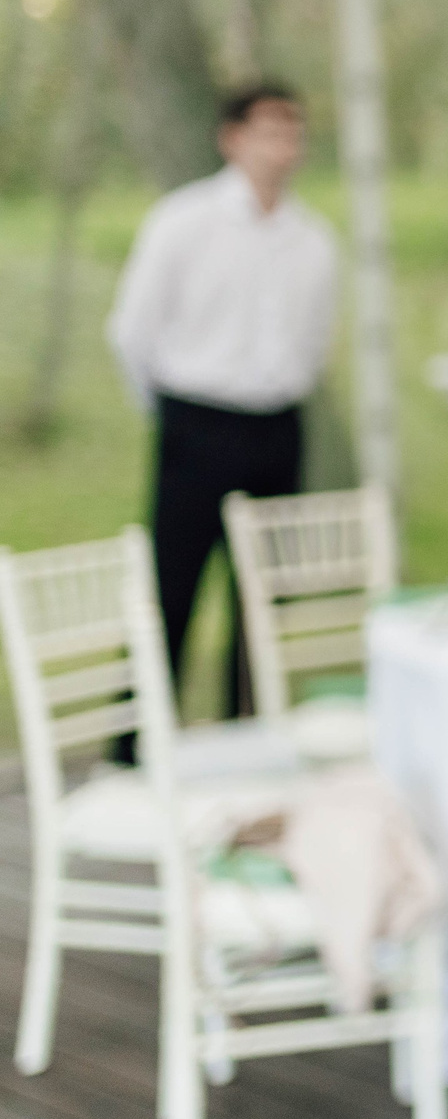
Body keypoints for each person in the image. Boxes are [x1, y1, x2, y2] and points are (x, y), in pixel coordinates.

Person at [106, 83, 337, 749]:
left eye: (293, 132)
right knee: (169, 589)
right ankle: (133, 746)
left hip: (277, 428)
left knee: (265, 597)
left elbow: (315, 342)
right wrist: (170, 413)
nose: (283, 147)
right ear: (232, 139)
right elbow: (132, 332)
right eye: (269, 131)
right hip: (195, 424)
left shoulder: (315, 241)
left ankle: (252, 738)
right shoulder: (182, 222)